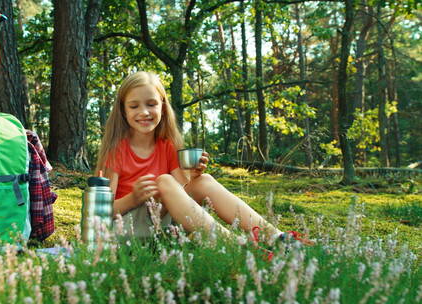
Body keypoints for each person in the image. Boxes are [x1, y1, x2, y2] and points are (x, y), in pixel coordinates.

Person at [96, 71, 310, 245]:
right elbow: (100, 212)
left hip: (162, 221)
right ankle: (234, 245)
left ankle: (276, 237)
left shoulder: (167, 145)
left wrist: (192, 175)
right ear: (124, 111)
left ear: (162, 105)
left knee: (203, 181)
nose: (144, 111)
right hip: (128, 226)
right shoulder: (116, 151)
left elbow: (179, 193)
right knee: (164, 180)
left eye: (151, 104)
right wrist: (133, 198)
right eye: (134, 106)